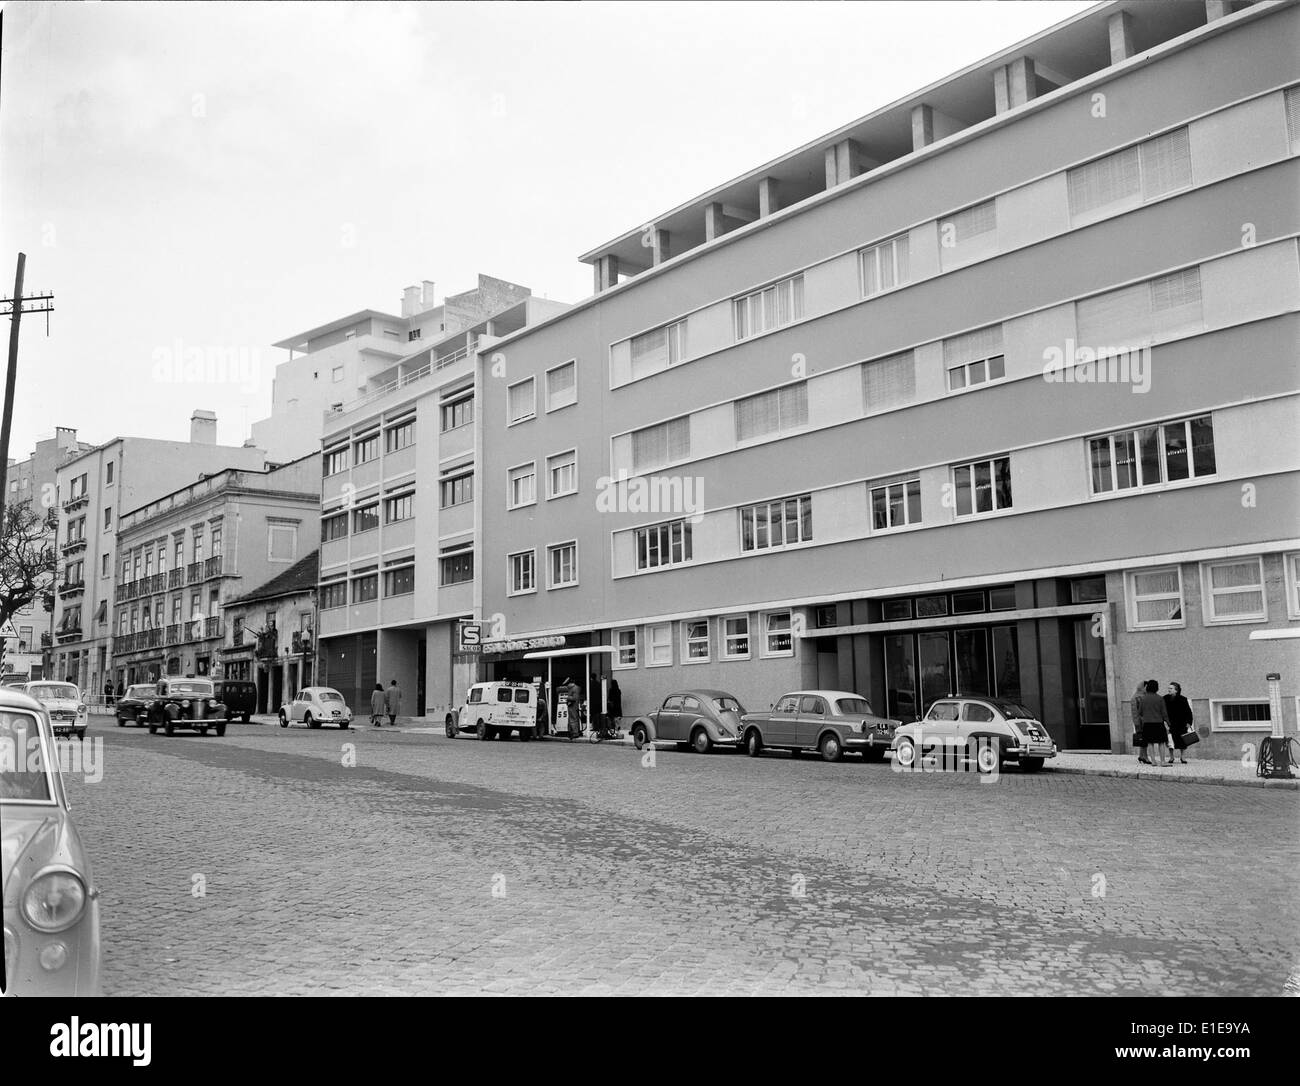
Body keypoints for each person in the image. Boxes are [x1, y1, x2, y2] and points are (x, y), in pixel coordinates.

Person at [1136, 679, 1173, 766]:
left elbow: (1140, 712)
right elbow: (1164, 713)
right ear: (1157, 688)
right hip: (1158, 723)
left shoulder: (1143, 699)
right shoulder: (1160, 698)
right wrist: (1168, 723)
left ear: (1147, 687)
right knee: (1161, 742)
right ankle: (1163, 761)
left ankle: (1153, 761)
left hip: (1147, 724)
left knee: (1150, 743)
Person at [1165, 681, 1194, 764]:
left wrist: (1189, 722)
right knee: (1170, 741)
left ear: (1176, 690)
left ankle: (1183, 757)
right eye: (1168, 688)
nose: (1169, 690)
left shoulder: (1183, 699)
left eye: (1171, 688)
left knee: (1182, 741)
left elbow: (1188, 712)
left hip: (1181, 723)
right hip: (1170, 724)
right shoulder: (1165, 698)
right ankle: (1171, 757)